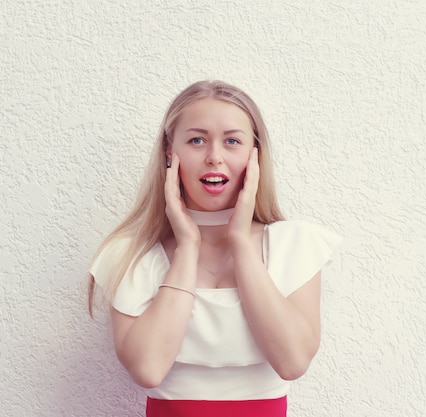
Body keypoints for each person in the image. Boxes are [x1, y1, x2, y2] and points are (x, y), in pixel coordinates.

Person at [87, 80, 341, 417]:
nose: (214, 157)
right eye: (196, 140)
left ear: (255, 154)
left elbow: (292, 362)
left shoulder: (294, 245)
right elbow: (147, 370)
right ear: (169, 151)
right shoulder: (129, 256)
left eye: (232, 141)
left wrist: (240, 242)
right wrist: (188, 248)